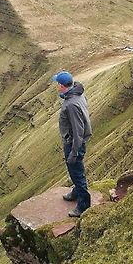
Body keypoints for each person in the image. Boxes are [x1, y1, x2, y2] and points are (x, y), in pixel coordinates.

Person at [53, 71, 92, 217]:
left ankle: (83, 205)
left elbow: (78, 130)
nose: (57, 86)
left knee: (77, 173)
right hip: (74, 142)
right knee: (75, 171)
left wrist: (74, 152)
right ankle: (76, 192)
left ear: (62, 86)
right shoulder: (77, 94)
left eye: (58, 83)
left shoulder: (71, 104)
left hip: (73, 143)